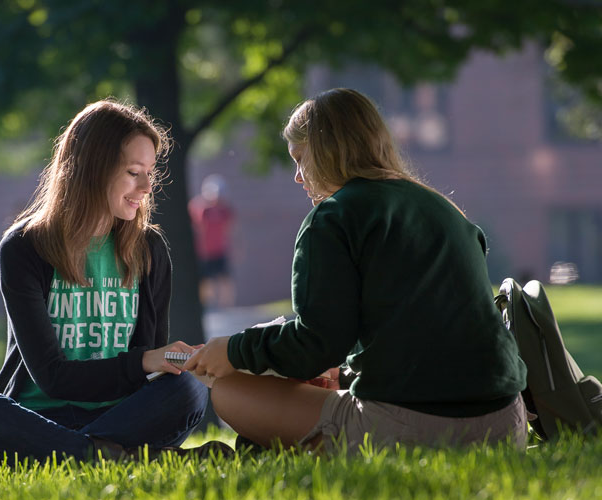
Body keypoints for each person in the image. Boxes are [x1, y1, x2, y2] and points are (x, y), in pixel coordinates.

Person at [184, 88, 528, 453]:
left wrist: (233, 351)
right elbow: (424, 332)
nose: (298, 177)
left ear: (327, 149)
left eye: (301, 159)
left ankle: (306, 447)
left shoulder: (333, 217)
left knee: (231, 391)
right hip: (507, 422)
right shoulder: (443, 209)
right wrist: (345, 371)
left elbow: (315, 345)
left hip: (420, 427)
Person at [0, 100, 220, 464]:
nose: (146, 186)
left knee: (188, 389)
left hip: (120, 416)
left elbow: (147, 369)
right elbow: (53, 377)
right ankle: (112, 455)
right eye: (133, 172)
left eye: (149, 172)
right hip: (39, 417)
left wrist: (166, 360)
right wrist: (145, 360)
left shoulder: (150, 250)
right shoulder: (23, 248)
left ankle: (74, 454)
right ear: (94, 168)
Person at [188, 174, 236, 309]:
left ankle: (226, 307)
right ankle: (206, 307)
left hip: (220, 250)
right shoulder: (200, 208)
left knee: (225, 279)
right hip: (204, 252)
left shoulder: (225, 210)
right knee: (205, 281)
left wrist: (234, 247)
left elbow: (231, 230)